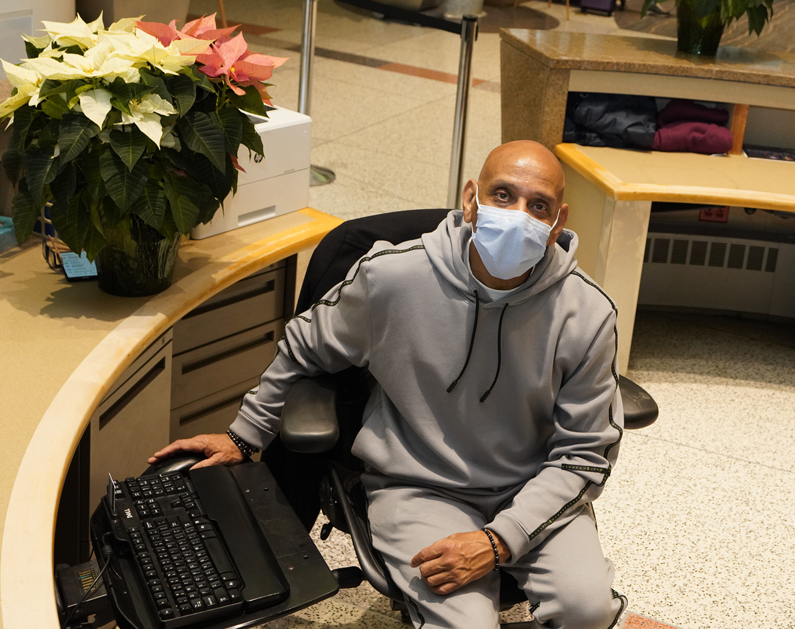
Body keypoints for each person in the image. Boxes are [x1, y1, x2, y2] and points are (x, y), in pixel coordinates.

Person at [150, 141, 626, 629]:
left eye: (538, 205)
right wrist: (242, 435)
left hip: (532, 486)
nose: (518, 215)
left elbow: (583, 456)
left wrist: (499, 539)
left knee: (586, 609)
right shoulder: (393, 276)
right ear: (470, 199)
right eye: (503, 195)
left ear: (558, 222)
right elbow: (304, 344)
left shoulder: (587, 313)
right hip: (420, 488)